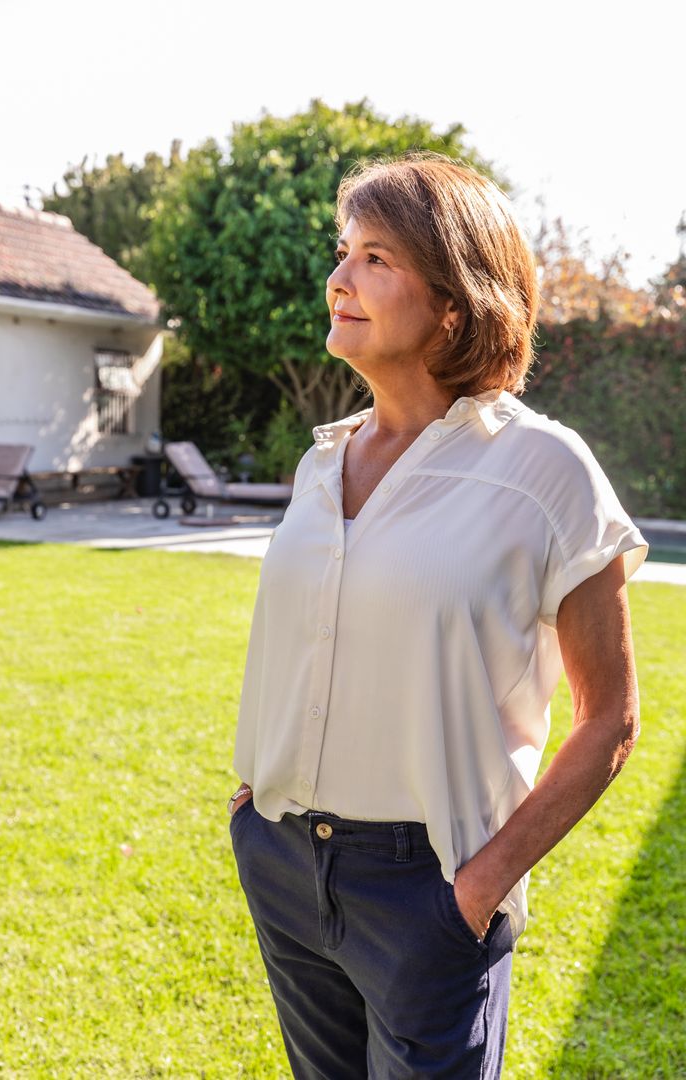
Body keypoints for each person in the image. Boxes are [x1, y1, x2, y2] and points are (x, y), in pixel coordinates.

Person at [228, 153, 647, 1079]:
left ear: (455, 302)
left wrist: (480, 887)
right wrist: (252, 815)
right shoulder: (320, 463)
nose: (339, 278)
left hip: (430, 889)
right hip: (287, 863)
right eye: (343, 252)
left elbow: (610, 718)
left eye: (375, 257)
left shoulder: (547, 470)